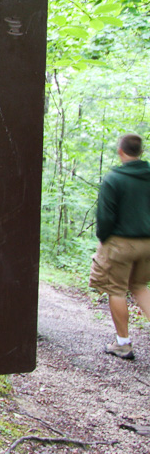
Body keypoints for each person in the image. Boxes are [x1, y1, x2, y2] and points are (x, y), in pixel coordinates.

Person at [90, 133, 150, 359]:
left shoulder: (114, 179)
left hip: (120, 243)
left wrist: (104, 238)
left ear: (120, 151)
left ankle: (123, 344)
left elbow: (105, 217)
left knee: (116, 290)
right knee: (140, 286)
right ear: (140, 152)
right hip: (147, 243)